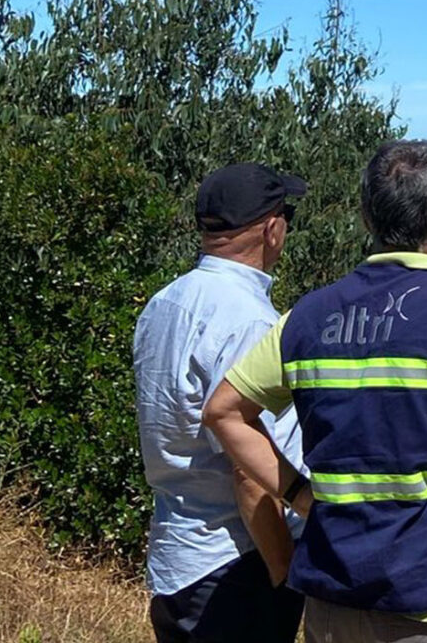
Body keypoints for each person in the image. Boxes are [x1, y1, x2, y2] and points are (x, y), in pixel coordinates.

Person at [205, 139, 427, 643]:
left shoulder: (307, 317)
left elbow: (224, 413)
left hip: (332, 596)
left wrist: (301, 495)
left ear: (367, 216)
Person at [134, 161, 310, 643]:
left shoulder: (163, 304)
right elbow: (249, 471)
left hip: (176, 558)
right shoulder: (251, 322)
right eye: (286, 214)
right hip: (238, 565)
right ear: (272, 229)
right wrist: (285, 574)